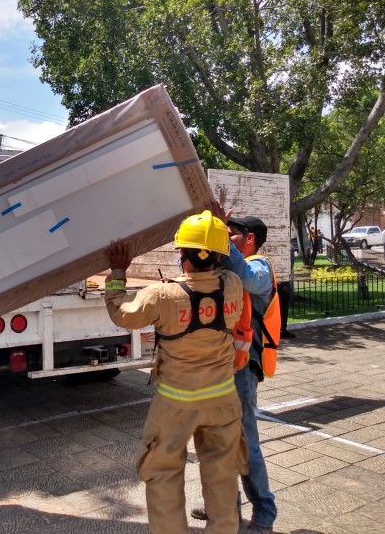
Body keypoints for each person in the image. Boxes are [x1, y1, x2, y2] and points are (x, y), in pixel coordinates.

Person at [103, 211, 247, 534]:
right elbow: (221, 271)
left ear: (182, 254)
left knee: (164, 476)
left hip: (174, 404)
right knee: (223, 479)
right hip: (223, 400)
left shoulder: (163, 296)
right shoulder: (234, 287)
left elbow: (121, 313)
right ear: (219, 255)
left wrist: (118, 271)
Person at [193, 213, 278, 534]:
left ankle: (265, 515)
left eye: (232, 235)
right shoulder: (224, 267)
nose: (227, 239)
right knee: (217, 440)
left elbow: (244, 274)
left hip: (242, 368)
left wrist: (221, 241)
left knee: (244, 442)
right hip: (217, 365)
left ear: (250, 238)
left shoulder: (259, 267)